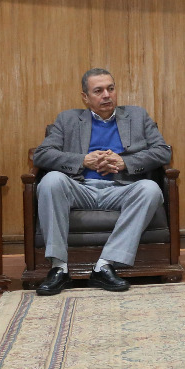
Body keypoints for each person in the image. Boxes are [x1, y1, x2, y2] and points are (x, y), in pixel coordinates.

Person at [32, 68, 171, 295]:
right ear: (85, 97)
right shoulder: (67, 119)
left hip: (121, 189)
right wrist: (82, 160)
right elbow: (42, 155)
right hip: (80, 188)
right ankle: (59, 268)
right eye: (98, 91)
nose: (106, 95)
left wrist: (125, 162)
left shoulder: (137, 116)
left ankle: (104, 265)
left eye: (110, 89)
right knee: (50, 181)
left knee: (151, 189)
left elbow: (163, 152)